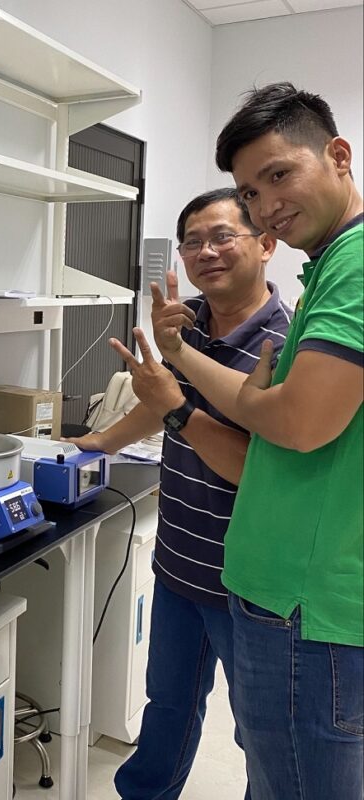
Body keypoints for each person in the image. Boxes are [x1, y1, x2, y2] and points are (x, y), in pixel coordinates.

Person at [141, 83, 363, 800]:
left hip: (304, 599)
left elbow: (296, 425)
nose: (268, 203)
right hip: (253, 582)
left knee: (286, 773)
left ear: (338, 156)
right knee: (204, 727)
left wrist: (196, 402)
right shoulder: (323, 269)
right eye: (251, 191)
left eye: (278, 175)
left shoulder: (345, 274)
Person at [64, 187, 291, 800]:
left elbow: (255, 469)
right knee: (167, 704)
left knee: (261, 732)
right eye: (192, 242)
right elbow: (159, 401)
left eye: (222, 236)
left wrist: (175, 406)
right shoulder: (184, 322)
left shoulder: (286, 344)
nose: (206, 252)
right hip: (179, 563)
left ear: (266, 244)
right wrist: (98, 442)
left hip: (249, 583)